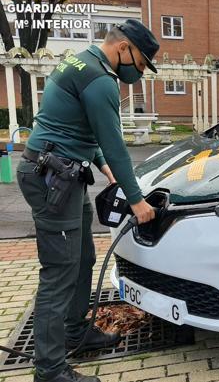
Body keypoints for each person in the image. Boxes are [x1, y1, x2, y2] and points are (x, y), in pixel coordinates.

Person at [16, 19, 159, 382]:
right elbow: (116, 145)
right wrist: (137, 200)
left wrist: (101, 165)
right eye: (141, 64)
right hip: (53, 180)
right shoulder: (100, 82)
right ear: (124, 48)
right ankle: (49, 371)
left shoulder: (79, 62)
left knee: (82, 258)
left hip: (63, 174)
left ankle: (75, 331)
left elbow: (72, 124)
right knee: (58, 275)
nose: (138, 74)